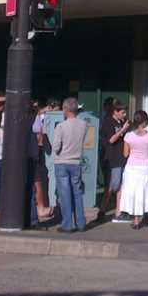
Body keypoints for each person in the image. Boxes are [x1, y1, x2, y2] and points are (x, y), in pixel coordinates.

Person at [51, 97, 90, 233]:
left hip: (62, 162)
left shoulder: (61, 126)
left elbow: (55, 147)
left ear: (66, 110)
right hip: (76, 161)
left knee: (65, 194)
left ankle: (67, 224)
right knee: (77, 193)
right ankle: (81, 223)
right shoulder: (84, 124)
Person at [120, 110, 148, 229]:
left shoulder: (128, 136)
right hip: (145, 168)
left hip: (131, 169)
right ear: (145, 122)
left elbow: (125, 154)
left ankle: (136, 221)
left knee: (135, 194)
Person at [98, 101, 129, 221]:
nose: (124, 114)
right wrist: (122, 130)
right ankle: (102, 211)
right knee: (112, 186)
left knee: (120, 185)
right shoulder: (108, 122)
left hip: (120, 157)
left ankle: (118, 211)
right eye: (122, 112)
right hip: (112, 158)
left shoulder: (120, 122)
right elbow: (111, 140)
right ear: (115, 112)